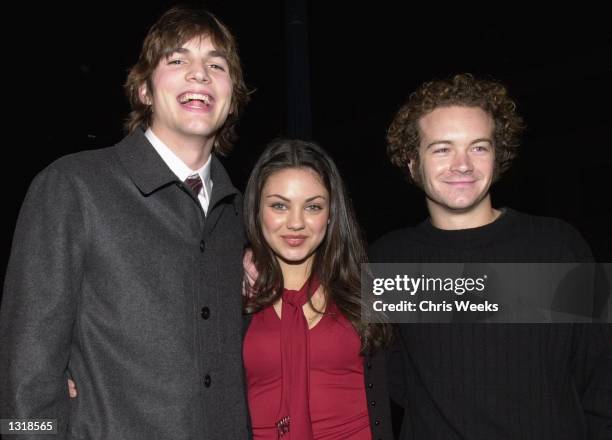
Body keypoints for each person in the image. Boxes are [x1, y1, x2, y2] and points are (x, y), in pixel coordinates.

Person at [0, 5, 251, 439]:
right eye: (177, 60)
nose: (199, 74)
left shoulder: (242, 215)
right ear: (144, 91)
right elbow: (26, 368)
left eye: (216, 64)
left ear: (231, 100)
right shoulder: (73, 186)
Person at [370, 73, 612, 439]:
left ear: (497, 155)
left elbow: (601, 374)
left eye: (479, 147)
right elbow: (387, 375)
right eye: (442, 148)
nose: (463, 164)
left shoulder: (559, 245)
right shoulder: (387, 259)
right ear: (411, 160)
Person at [242, 139, 393, 439]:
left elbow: (490, 293)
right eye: (279, 205)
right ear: (257, 210)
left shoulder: (371, 286)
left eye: (312, 206)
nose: (296, 223)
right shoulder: (224, 296)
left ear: (331, 213)